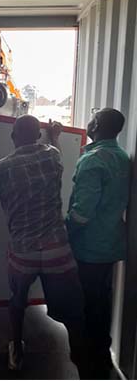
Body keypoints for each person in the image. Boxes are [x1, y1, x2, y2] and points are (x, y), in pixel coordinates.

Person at [0, 116, 88, 375]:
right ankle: (79, 357)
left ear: (13, 136)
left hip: (22, 250)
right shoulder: (52, 157)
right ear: (38, 136)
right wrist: (56, 136)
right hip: (56, 248)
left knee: (18, 299)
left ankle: (16, 349)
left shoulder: (3, 167)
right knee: (70, 307)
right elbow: (57, 150)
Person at [66, 108, 130, 376]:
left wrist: (62, 232)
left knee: (86, 302)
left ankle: (86, 360)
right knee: (101, 299)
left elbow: (82, 213)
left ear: (97, 126)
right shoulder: (121, 156)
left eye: (93, 118)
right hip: (111, 243)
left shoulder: (93, 161)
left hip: (89, 246)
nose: (89, 121)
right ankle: (101, 352)